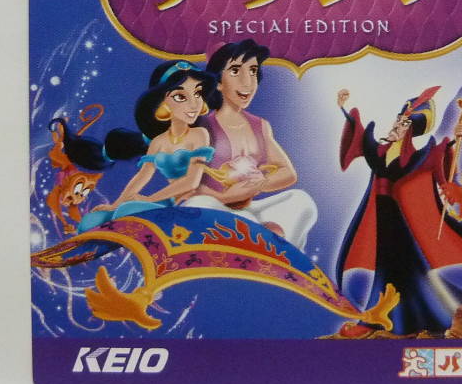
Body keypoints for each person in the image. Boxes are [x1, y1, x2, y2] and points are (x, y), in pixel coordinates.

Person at [335, 87, 462, 336]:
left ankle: (392, 318)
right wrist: (344, 108)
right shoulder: (380, 151)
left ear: (410, 129)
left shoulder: (421, 155)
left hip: (401, 222)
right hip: (380, 218)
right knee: (385, 266)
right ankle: (383, 315)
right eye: (398, 120)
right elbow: (360, 136)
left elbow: (440, 166)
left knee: (403, 268)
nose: (396, 125)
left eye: (403, 123)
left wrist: (455, 138)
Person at [182, 39, 318, 249]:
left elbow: (288, 173)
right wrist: (223, 196)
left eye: (253, 71)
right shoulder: (202, 128)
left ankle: (278, 253)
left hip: (249, 209)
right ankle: (264, 243)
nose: (247, 81)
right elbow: (187, 184)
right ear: (218, 82)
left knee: (301, 201)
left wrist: (260, 183)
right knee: (199, 204)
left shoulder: (260, 126)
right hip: (216, 208)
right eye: (235, 71)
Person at [76, 60, 216, 233]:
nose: (194, 104)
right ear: (162, 102)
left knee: (128, 211)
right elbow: (143, 176)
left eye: (197, 93)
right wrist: (115, 204)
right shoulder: (158, 142)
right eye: (181, 97)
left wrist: (149, 199)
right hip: (168, 200)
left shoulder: (199, 134)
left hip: (195, 201)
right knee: (91, 221)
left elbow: (191, 182)